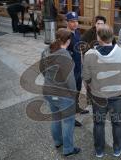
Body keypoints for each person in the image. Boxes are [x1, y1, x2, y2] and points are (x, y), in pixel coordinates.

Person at [82, 24, 121, 158]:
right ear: (113, 36)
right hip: (118, 95)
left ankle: (99, 151)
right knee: (117, 123)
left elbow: (86, 77)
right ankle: (117, 149)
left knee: (98, 123)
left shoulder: (89, 55)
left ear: (98, 37)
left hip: (98, 95)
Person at [39, 28, 81, 157]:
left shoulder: (46, 50)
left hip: (48, 90)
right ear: (68, 40)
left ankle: (58, 141)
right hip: (63, 95)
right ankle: (68, 149)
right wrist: (74, 94)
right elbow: (70, 79)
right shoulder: (64, 54)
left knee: (56, 117)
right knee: (68, 121)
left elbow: (42, 69)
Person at [66, 11, 89, 127]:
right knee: (71, 92)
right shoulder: (65, 35)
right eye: (72, 21)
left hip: (79, 66)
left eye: (76, 21)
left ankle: (77, 108)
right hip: (71, 69)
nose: (75, 24)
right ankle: (71, 117)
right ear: (68, 22)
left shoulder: (77, 33)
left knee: (78, 89)